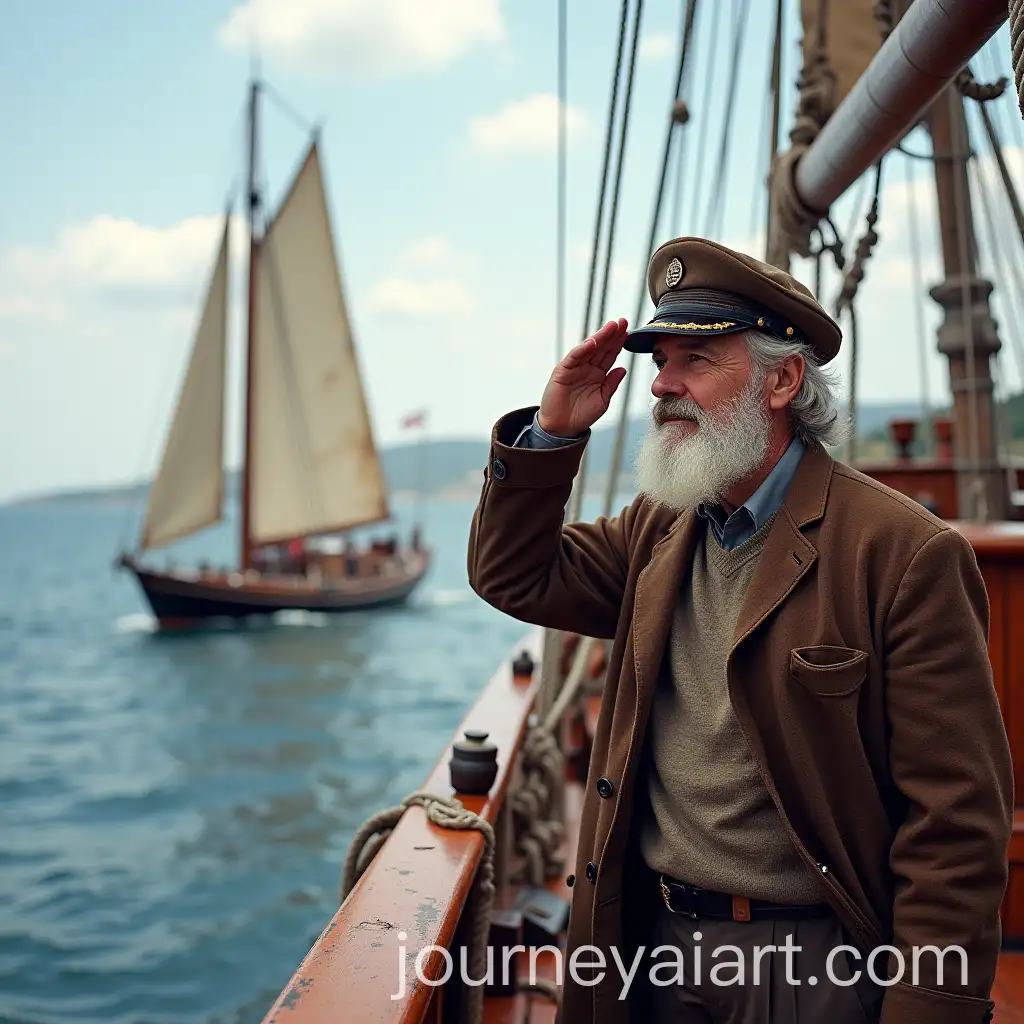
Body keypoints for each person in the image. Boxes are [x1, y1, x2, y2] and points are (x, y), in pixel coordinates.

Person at [467, 237, 1012, 1024]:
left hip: (808, 963)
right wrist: (554, 433)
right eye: (661, 361)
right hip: (644, 946)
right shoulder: (662, 525)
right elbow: (513, 574)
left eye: (697, 360)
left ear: (783, 379)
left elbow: (955, 825)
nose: (662, 385)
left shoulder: (902, 554)